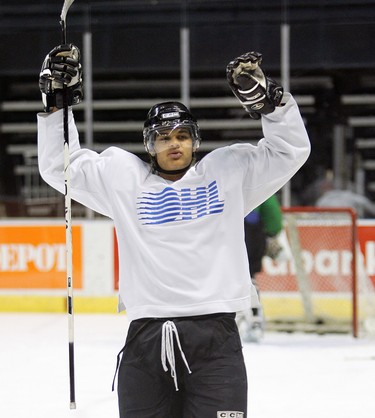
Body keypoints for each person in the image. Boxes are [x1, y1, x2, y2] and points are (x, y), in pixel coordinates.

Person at [37, 46, 310, 418]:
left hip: (216, 341)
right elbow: (60, 167)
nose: (175, 143)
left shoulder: (227, 173)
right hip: (146, 340)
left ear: (195, 140)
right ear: (150, 145)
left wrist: (271, 104)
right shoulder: (124, 180)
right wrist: (58, 103)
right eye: (164, 137)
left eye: (182, 135)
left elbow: (290, 150)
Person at [237, 194, 284, 342]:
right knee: (249, 278)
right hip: (252, 236)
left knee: (229, 278)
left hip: (230, 235)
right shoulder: (258, 183)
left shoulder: (221, 179)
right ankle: (255, 320)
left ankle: (233, 318)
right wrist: (272, 232)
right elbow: (274, 218)